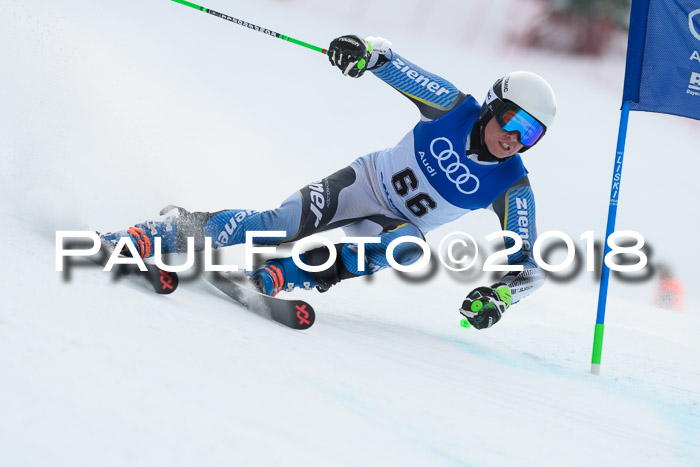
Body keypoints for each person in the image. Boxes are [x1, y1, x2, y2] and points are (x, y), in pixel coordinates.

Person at [102, 35, 556, 330]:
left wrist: (499, 296)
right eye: (513, 121)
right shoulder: (454, 107)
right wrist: (364, 51)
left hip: (391, 227)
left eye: (531, 134)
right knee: (276, 224)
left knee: (407, 249)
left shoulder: (512, 185)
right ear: (492, 107)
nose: (515, 140)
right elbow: (393, 63)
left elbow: (531, 267)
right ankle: (156, 234)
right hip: (361, 183)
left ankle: (274, 277)